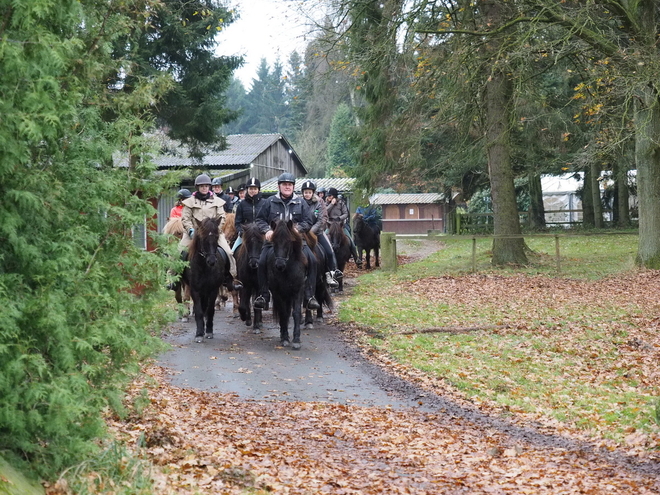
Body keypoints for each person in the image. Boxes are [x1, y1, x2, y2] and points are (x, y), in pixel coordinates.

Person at [253, 172, 320, 310]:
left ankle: (309, 295)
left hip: (296, 241)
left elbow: (308, 221)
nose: (287, 187)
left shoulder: (301, 202)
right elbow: (259, 220)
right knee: (261, 261)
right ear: (279, 186)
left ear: (293, 186)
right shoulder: (269, 202)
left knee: (313, 261)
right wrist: (267, 230)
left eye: (290, 184)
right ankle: (264, 295)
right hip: (274, 242)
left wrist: (298, 230)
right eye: (284, 184)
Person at [179, 173, 242, 291]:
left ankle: (232, 278)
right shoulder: (189, 202)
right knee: (178, 252)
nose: (204, 188)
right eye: (202, 186)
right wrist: (191, 230)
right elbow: (185, 218)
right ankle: (173, 278)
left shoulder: (217, 201)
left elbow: (222, 217)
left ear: (210, 187)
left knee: (228, 253)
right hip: (193, 233)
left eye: (207, 186)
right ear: (197, 187)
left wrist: (216, 230)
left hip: (213, 233)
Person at [300, 180, 341, 288]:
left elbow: (320, 220)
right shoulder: (298, 203)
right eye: (305, 192)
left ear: (313, 193)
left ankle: (330, 274)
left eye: (309, 192)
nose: (307, 194)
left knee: (329, 251)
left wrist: (311, 231)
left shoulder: (318, 203)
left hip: (317, 232)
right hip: (302, 233)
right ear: (303, 193)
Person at [326, 187, 361, 267]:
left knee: (350, 240)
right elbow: (325, 212)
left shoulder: (341, 203)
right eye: (328, 196)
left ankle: (356, 258)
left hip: (340, 225)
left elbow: (346, 213)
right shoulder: (326, 203)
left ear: (334, 196)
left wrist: (340, 218)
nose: (328, 197)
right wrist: (331, 204)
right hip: (330, 226)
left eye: (330, 195)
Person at [232, 177, 264, 253]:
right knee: (231, 253)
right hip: (245, 234)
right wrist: (242, 232)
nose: (253, 191)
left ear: (258, 190)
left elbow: (269, 219)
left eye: (255, 189)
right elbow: (237, 222)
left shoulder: (265, 203)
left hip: (262, 234)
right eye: (250, 189)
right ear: (247, 190)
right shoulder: (241, 204)